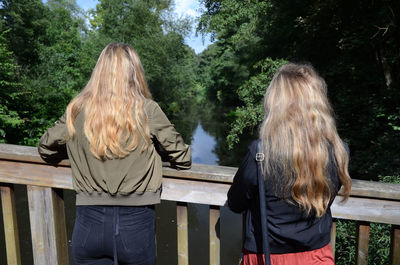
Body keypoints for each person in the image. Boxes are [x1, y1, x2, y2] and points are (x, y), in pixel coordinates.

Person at [38, 43, 191, 265]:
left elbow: (45, 148)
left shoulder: (77, 109)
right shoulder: (147, 109)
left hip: (88, 224)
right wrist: (154, 151)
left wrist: (77, 149)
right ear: (135, 73)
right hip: (136, 225)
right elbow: (183, 159)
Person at [227, 63, 351, 265]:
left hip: (267, 256)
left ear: (276, 104)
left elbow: (235, 202)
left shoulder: (260, 153)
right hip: (317, 256)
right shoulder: (339, 151)